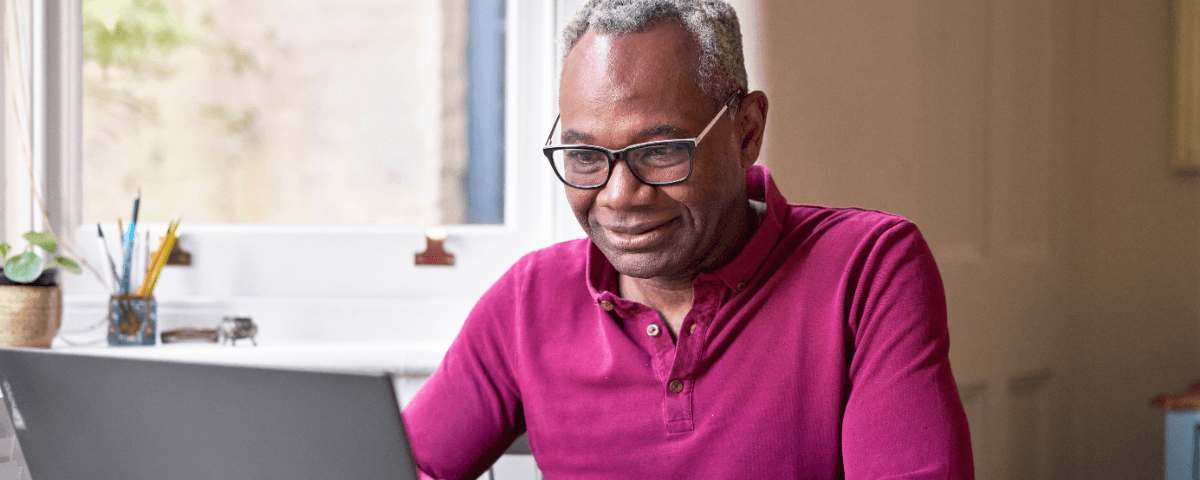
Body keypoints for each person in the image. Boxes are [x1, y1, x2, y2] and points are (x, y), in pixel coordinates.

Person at [402, 1, 975, 478]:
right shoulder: (530, 298)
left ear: (747, 132)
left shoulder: (869, 268)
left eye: (660, 151)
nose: (619, 195)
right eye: (584, 156)